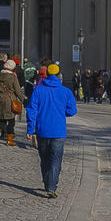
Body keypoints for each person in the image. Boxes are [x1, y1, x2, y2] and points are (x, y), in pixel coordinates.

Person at [25, 62, 78, 198]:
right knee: (56, 160)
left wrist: (30, 129)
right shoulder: (66, 91)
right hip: (59, 131)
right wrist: (61, 113)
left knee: (44, 159)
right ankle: (52, 186)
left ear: (47, 75)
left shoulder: (38, 90)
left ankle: (47, 182)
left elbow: (32, 110)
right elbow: (72, 110)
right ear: (59, 76)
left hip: (42, 130)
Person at [0, 59, 24, 146]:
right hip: (10, 99)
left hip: (0, 98)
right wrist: (23, 100)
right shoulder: (12, 77)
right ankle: (9, 140)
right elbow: (18, 91)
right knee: (11, 120)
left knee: (2, 118)